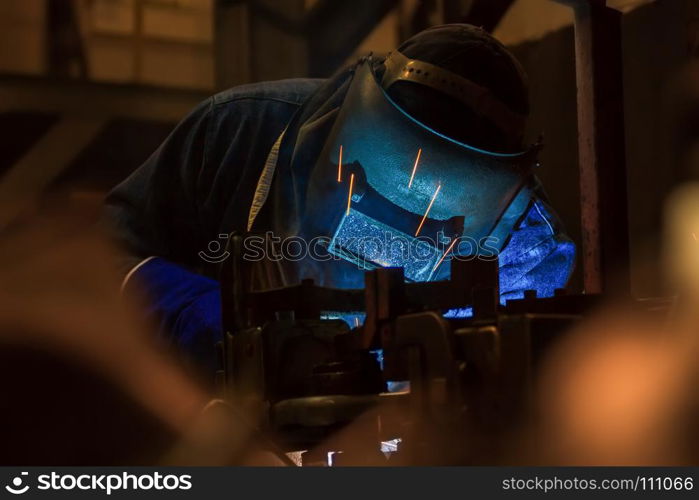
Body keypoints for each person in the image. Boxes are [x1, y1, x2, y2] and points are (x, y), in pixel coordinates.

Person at [104, 24, 575, 377]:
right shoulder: (239, 131)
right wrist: (184, 309)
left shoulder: (525, 249)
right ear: (357, 108)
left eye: (442, 191)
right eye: (394, 172)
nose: (412, 200)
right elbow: (95, 258)